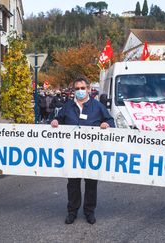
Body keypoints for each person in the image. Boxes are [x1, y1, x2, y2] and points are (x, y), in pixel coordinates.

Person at [51, 77, 115, 225]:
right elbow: (57, 119)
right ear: (74, 91)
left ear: (88, 89)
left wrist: (106, 123)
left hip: (92, 153)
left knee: (91, 184)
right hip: (72, 153)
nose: (80, 91)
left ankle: (89, 212)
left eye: (82, 88)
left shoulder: (98, 106)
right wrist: (54, 122)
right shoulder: (67, 106)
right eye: (77, 88)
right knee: (73, 184)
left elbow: (111, 121)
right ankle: (72, 212)